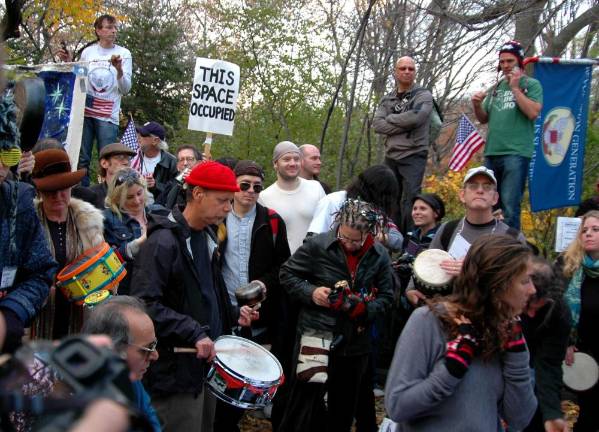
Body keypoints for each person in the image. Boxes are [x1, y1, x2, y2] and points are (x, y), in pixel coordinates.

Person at [130, 161, 256, 432]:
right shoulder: (163, 243)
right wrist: (193, 332)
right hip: (173, 373)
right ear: (198, 194)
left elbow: (206, 295)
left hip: (203, 369)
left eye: (230, 201)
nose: (227, 208)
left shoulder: (208, 237)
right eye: (222, 200)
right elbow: (143, 305)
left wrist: (234, 314)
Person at [385, 234, 537, 431]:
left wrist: (517, 356)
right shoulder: (428, 322)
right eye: (525, 281)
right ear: (498, 284)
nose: (533, 290)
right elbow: (397, 406)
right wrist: (451, 369)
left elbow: (520, 419)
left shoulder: (505, 331)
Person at [278, 199, 393, 432]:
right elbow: (287, 273)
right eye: (344, 237)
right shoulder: (318, 245)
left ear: (368, 234)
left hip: (355, 341)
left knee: (343, 407)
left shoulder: (379, 255)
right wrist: (312, 292)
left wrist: (364, 309)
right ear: (338, 226)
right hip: (316, 333)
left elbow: (388, 297)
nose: (349, 244)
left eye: (356, 240)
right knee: (304, 401)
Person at [215, 160, 291, 431]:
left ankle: (231, 419)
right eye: (244, 185)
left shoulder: (271, 220)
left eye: (256, 187)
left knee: (247, 372)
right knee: (221, 369)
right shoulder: (218, 217)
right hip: (224, 307)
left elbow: (284, 265)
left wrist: (263, 285)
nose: (250, 191)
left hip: (258, 311)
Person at [406, 166, 526, 306]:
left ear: (495, 198)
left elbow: (522, 284)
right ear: (462, 195)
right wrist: (411, 289)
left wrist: (474, 272)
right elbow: (427, 263)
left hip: (493, 316)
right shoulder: (448, 229)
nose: (480, 190)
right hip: (450, 315)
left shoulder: (512, 237)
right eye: (473, 186)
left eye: (487, 187)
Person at [29, 149, 105, 339]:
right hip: (36, 320)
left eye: (63, 188)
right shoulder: (26, 221)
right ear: (39, 191)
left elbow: (102, 272)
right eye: (50, 191)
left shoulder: (89, 222)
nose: (58, 196)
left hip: (79, 320)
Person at [471, 40, 543, 230]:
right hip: (492, 152)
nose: (505, 66)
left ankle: (510, 251)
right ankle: (487, 245)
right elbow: (484, 118)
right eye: (502, 62)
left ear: (519, 62)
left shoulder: (532, 85)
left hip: (516, 153)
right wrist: (477, 105)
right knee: (488, 203)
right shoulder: (496, 87)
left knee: (510, 206)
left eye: (509, 61)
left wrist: (515, 88)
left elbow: (533, 112)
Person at [58, 14, 132, 187]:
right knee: (81, 157)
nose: (113, 31)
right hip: (86, 111)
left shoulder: (123, 53)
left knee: (107, 159)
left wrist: (119, 70)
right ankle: (81, 194)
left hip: (108, 115)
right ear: (98, 30)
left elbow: (126, 89)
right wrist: (69, 62)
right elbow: (81, 80)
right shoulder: (88, 52)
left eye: (115, 28)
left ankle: (108, 198)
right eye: (109, 27)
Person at [0, 155, 57, 354]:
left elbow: (41, 271)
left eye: (8, 153)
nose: (2, 164)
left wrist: (11, 314)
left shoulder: (18, 204)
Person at [81, 295, 161, 432]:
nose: (155, 355)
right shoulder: (74, 399)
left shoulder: (130, 382)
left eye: (155, 345)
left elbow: (153, 423)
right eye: (147, 349)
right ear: (111, 349)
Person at [373, 56, 433, 233]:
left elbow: (418, 117)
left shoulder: (423, 95)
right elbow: (377, 124)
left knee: (411, 200)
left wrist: (390, 119)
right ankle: (393, 239)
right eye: (403, 68)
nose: (407, 71)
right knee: (389, 198)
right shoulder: (387, 99)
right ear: (395, 72)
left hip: (414, 154)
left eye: (411, 69)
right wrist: (402, 124)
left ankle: (411, 241)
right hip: (391, 156)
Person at [559, 210, 599, 431]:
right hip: (585, 355)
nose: (588, 234)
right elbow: (561, 313)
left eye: (595, 229)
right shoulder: (571, 270)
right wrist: (567, 342)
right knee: (589, 417)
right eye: (584, 230)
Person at [521, 257, 571, 432]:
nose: (532, 314)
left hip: (534, 369)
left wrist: (552, 413)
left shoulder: (560, 313)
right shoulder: (502, 299)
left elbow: (548, 364)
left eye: (538, 308)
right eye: (527, 307)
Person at [102, 167, 167, 295]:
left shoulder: (159, 212)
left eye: (139, 193)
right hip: (128, 291)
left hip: (159, 288)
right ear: (117, 198)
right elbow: (107, 263)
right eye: (129, 197)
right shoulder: (107, 220)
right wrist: (138, 243)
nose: (137, 201)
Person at [308, 164, 402, 251]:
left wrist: (382, 237)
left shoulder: (377, 212)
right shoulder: (335, 201)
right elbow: (313, 238)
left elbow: (398, 241)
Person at [259, 141, 325, 253]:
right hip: (284, 266)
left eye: (296, 159)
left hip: (315, 263)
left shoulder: (316, 188)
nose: (293, 163)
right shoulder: (264, 197)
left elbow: (328, 226)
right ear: (275, 164)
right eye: (287, 159)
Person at [135, 121, 178, 199]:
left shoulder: (172, 162)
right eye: (139, 134)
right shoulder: (133, 157)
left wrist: (156, 185)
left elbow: (175, 190)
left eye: (143, 135)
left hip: (159, 207)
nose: (138, 137)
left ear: (155, 141)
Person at [156, 144, 203, 209]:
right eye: (181, 160)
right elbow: (158, 205)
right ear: (178, 166)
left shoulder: (204, 186)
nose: (185, 163)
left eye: (190, 159)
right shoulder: (171, 184)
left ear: (199, 163)